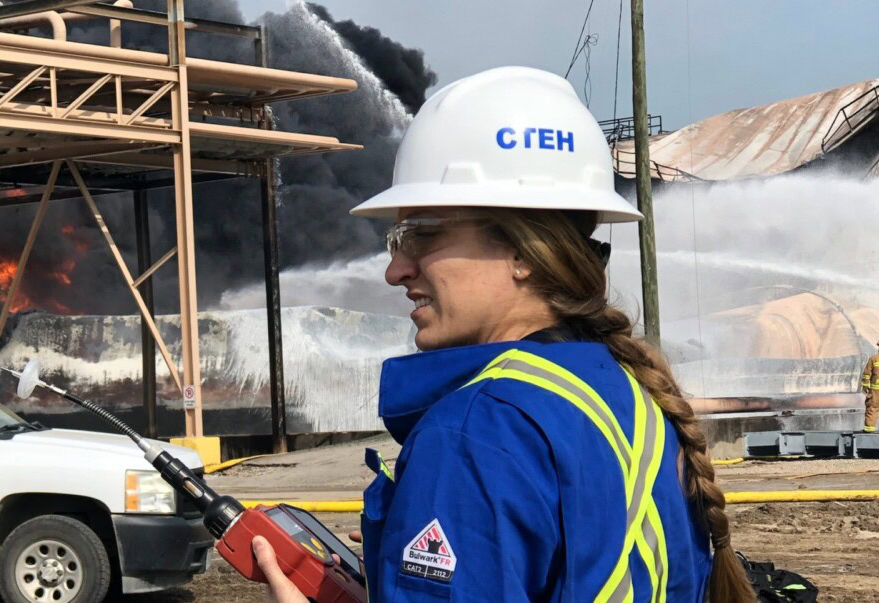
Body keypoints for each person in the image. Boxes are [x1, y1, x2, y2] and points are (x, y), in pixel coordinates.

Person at [250, 67, 756, 602]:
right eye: (394, 240)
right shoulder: (626, 395)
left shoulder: (476, 433)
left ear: (522, 251)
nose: (395, 270)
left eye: (420, 235)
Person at [860, 343, 879, 432]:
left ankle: (869, 430)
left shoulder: (874, 359)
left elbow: (867, 374)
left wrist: (864, 385)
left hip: (875, 391)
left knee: (872, 408)